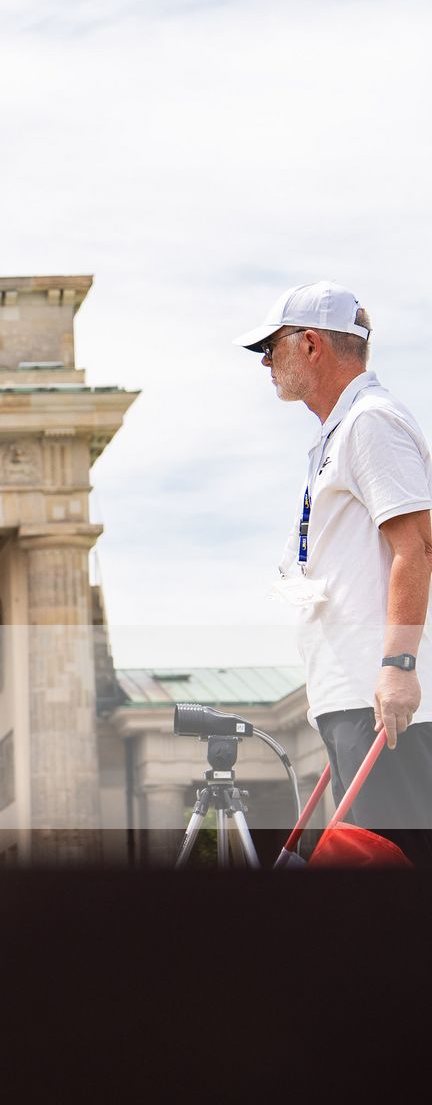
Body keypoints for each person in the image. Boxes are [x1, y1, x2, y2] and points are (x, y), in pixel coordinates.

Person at [238, 283, 432, 863]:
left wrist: (397, 668)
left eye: (271, 350)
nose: (267, 364)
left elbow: (418, 546)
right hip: (351, 695)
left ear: (312, 344)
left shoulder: (372, 422)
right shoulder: (338, 431)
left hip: (378, 693)